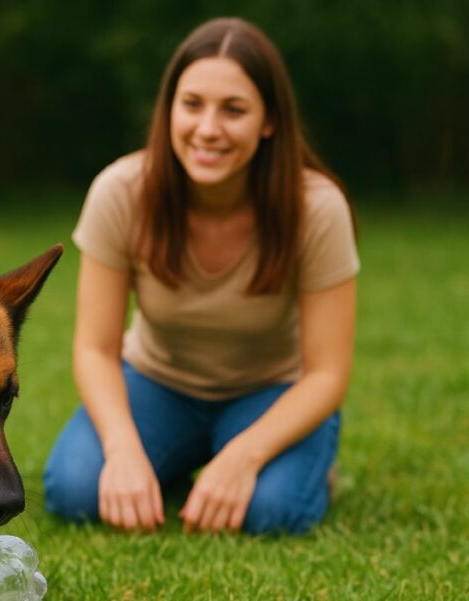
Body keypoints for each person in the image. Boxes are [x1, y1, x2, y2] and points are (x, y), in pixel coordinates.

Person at [43, 17, 359, 536]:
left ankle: (294, 465)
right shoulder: (121, 192)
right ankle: (169, 465)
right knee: (76, 489)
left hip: (271, 391)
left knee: (271, 512)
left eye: (233, 109)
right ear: (169, 110)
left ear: (269, 121)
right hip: (157, 383)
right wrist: (122, 451)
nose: (208, 128)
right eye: (191, 105)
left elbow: (327, 373)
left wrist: (244, 457)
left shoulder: (317, 208)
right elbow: (96, 349)